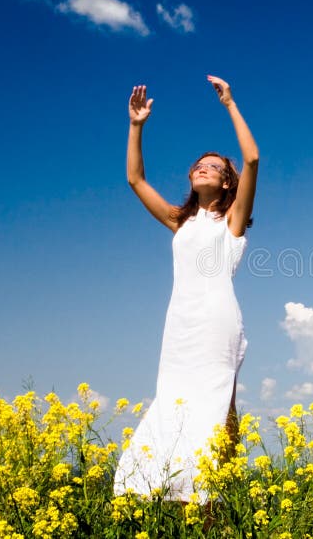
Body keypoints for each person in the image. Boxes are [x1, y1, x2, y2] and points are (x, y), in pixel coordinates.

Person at [114, 76, 259, 503]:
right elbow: (135, 180)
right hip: (179, 324)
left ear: (227, 182)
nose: (202, 167)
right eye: (199, 164)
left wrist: (230, 102)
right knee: (176, 403)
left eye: (213, 166)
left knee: (216, 408)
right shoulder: (181, 222)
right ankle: (181, 498)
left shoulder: (230, 223)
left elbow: (251, 159)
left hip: (217, 322)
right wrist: (136, 125)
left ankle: (219, 501)